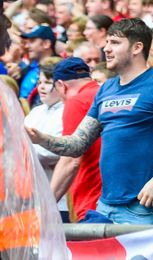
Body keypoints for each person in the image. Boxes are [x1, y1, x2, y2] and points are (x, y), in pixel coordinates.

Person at [27, 18, 153, 224]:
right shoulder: (106, 88)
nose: (106, 48)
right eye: (107, 42)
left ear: (137, 47)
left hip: (145, 205)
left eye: (115, 43)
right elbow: (77, 144)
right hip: (106, 204)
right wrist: (39, 138)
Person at [46, 57, 102, 221]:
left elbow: (70, 160)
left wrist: (46, 207)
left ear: (61, 85)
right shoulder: (107, 93)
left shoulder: (77, 101)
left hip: (93, 202)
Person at [24, 58, 68, 221]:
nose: (41, 87)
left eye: (48, 82)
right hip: (32, 196)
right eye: (39, 82)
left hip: (59, 200)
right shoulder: (36, 111)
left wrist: (22, 153)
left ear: (61, 85)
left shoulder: (66, 111)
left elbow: (53, 152)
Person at [15, 25, 57, 104]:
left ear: (46, 44)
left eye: (32, 41)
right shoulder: (27, 69)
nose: (27, 46)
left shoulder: (58, 70)